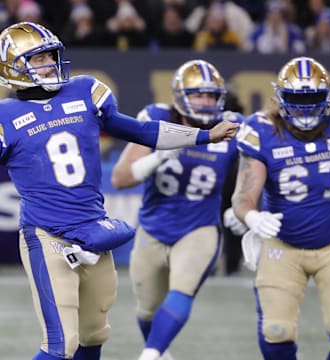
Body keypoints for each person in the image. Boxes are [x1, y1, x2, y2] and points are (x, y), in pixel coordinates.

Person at [0, 22, 238, 360]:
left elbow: (142, 131)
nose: (50, 64)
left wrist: (204, 136)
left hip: (94, 232)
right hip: (47, 234)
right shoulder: (5, 116)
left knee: (94, 334)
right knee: (60, 346)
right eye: (38, 59)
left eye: (51, 56)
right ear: (13, 65)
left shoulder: (84, 91)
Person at [111, 59, 247, 360]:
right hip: (153, 226)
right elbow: (120, 178)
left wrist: (243, 206)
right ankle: (161, 352)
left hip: (199, 227)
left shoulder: (232, 124)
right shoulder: (157, 117)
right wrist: (158, 157)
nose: (206, 101)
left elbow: (259, 165)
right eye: (198, 94)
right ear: (179, 95)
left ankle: (150, 354)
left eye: (212, 95)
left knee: (182, 288)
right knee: (146, 309)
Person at [231, 56, 330, 359]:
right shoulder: (262, 130)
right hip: (283, 245)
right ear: (280, 98)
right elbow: (242, 197)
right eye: (295, 99)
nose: (304, 108)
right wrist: (252, 216)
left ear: (328, 96)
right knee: (276, 330)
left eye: (313, 98)